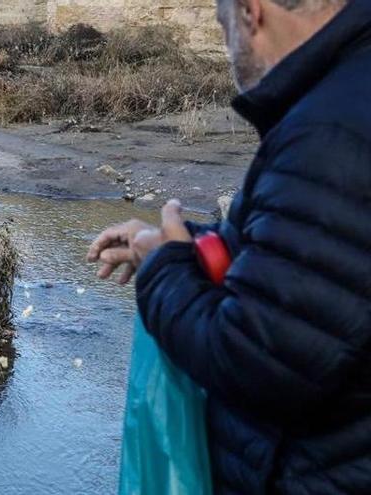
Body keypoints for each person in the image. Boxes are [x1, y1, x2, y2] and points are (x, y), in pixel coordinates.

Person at [87, 0, 371, 493]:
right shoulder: (348, 91)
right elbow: (315, 267)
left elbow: (258, 363)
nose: (227, 47)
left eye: (222, 26)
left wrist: (165, 269)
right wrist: (185, 246)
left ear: (250, 11)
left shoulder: (333, 135)